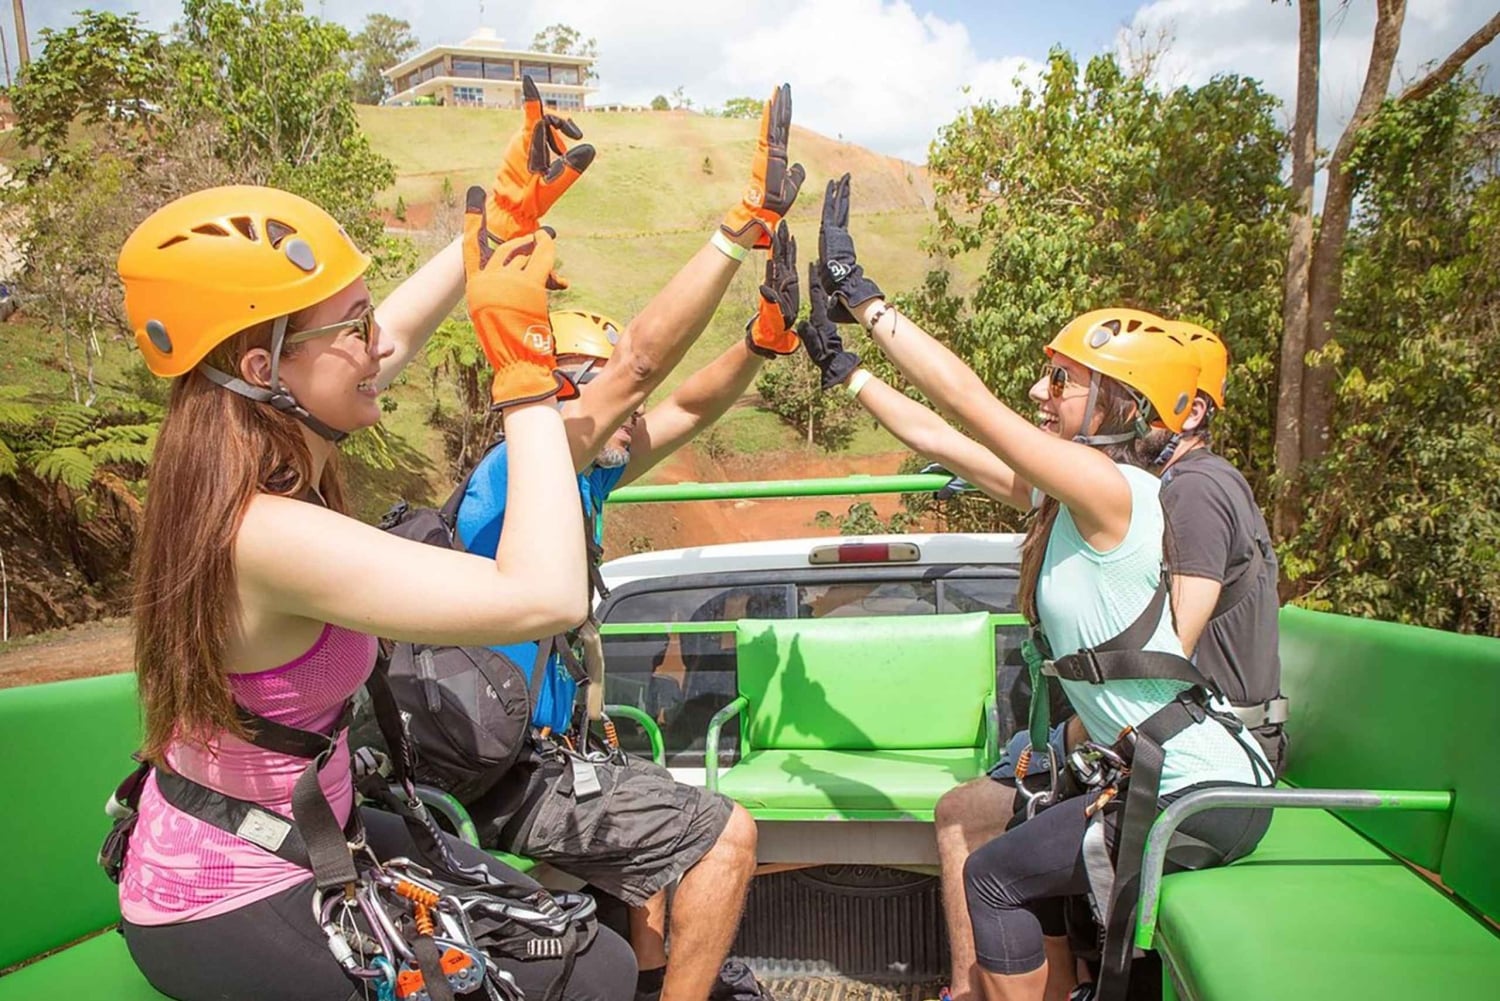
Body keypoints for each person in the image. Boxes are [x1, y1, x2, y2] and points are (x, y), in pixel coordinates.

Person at [111, 115, 636, 999]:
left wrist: (491, 233)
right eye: (353, 328)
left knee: (586, 950)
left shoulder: (254, 447)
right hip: (223, 893)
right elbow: (545, 592)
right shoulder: (264, 531)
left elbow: (375, 342)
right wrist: (524, 367)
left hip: (314, 829)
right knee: (585, 979)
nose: (377, 346)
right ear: (262, 366)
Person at [796, 174, 1273, 1001]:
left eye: (1061, 381)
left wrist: (866, 300)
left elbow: (973, 402)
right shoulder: (1077, 501)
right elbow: (941, 431)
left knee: (993, 877)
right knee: (1004, 850)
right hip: (1174, 773)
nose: (1038, 394)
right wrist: (844, 367)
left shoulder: (1113, 493)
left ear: (1124, 403)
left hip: (1198, 787)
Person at [456, 85, 806, 1001]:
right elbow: (646, 363)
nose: (633, 409)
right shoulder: (518, 462)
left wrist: (760, 346)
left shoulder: (581, 468)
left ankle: (652, 980)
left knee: (653, 824)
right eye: (607, 389)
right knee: (725, 832)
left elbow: (682, 400)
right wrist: (744, 228)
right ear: (564, 390)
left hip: (542, 751)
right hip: (498, 773)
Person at [1154, 321, 1286, 774]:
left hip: (1220, 748)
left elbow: (1167, 652)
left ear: (1191, 411)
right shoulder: (1189, 481)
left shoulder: (1194, 489)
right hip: (1204, 732)